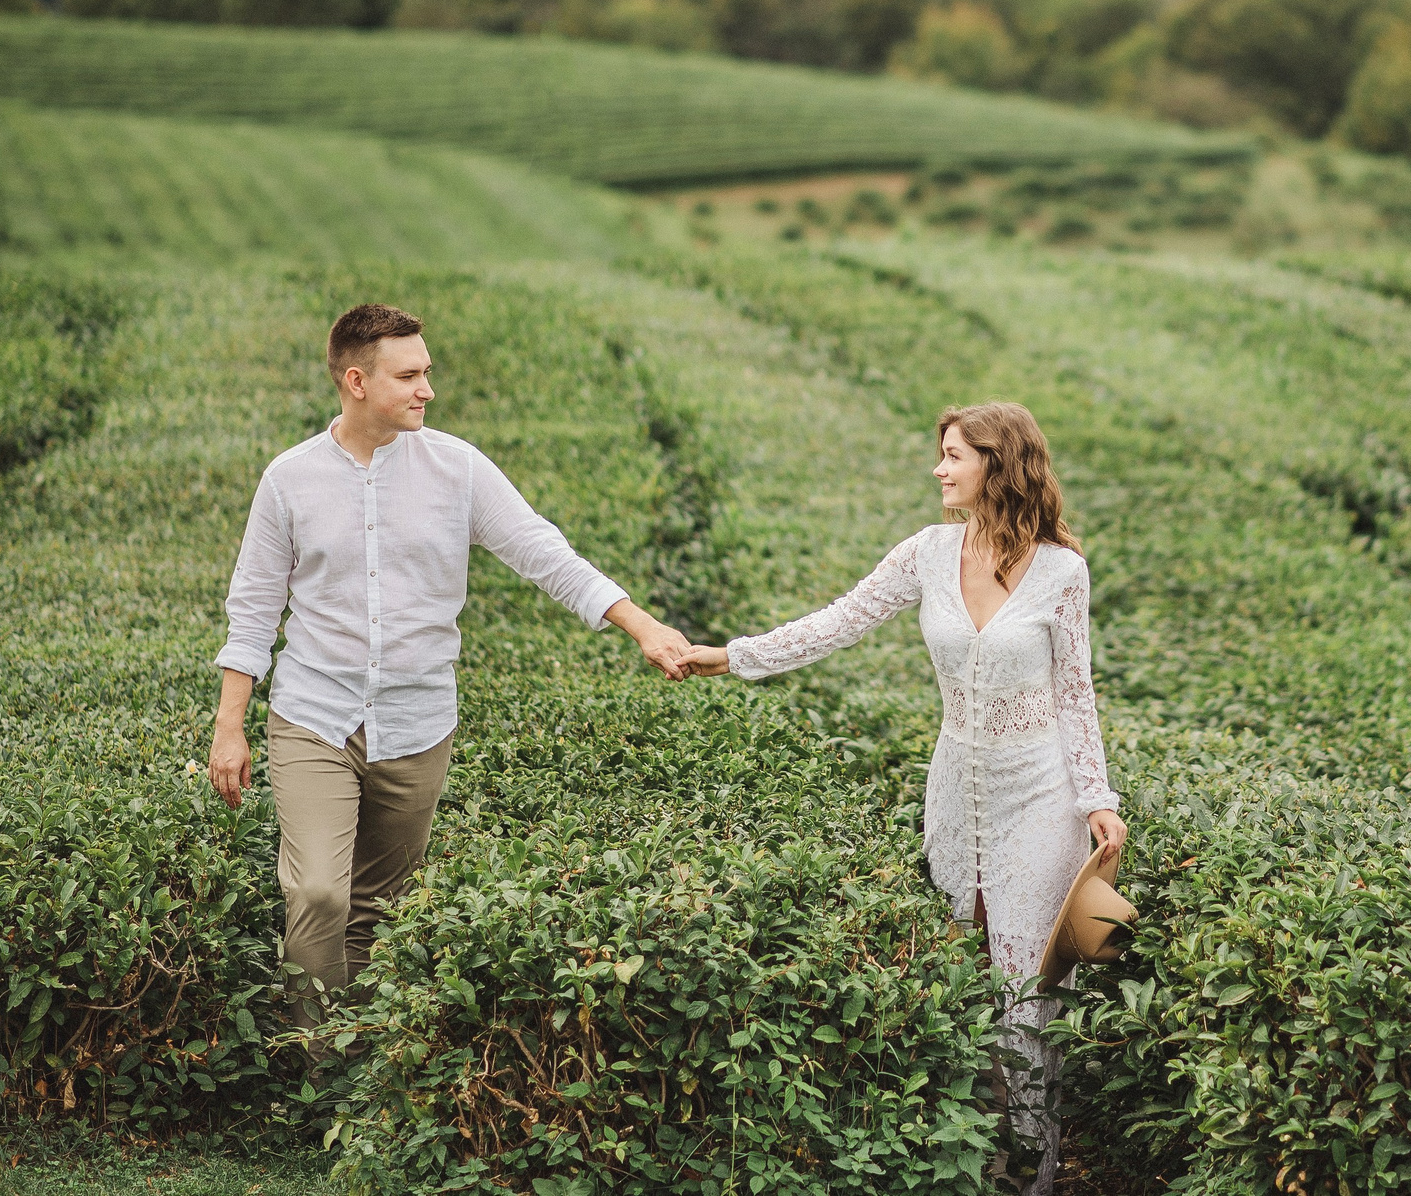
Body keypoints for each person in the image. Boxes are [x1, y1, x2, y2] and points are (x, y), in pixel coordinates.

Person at [677, 401, 1125, 1194]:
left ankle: (1036, 1163)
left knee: (1026, 971)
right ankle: (964, 1144)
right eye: (941, 454)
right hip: (957, 784)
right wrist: (736, 656)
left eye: (954, 455)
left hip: (1040, 790)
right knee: (958, 957)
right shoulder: (927, 552)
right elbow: (840, 620)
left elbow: (1075, 691)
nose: (939, 469)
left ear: (999, 462)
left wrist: (1097, 795)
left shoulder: (1062, 570)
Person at [205, 302, 693, 1027]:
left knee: (376, 906)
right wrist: (229, 724)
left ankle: (362, 1067)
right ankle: (307, 1063)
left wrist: (640, 623)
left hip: (418, 721)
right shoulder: (290, 479)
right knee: (317, 893)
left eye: (427, 371)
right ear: (356, 380)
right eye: (409, 375)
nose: (427, 388)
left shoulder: (458, 468)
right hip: (313, 715)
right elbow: (252, 609)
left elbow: (544, 553)